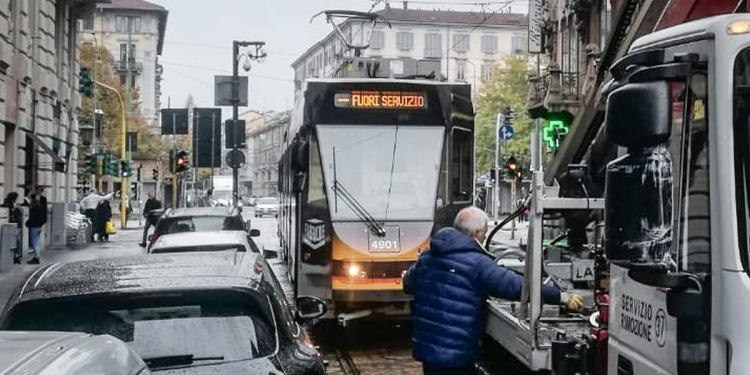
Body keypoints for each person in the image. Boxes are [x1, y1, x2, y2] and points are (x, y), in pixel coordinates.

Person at [403, 207, 584, 375]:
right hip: (457, 355)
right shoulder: (477, 264)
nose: (484, 237)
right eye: (484, 233)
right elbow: (516, 286)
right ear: (476, 234)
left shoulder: (428, 256)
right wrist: (560, 296)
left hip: (428, 352)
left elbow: (408, 284)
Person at [25, 188, 48, 264]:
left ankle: (36, 257)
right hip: (38, 225)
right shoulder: (33, 197)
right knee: (36, 241)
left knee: (35, 242)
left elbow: (43, 213)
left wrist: (28, 223)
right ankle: (36, 256)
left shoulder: (41, 202)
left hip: (36, 225)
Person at [3, 192, 23, 264]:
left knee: (17, 241)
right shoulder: (8, 204)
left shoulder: (13, 205)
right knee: (16, 241)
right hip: (12, 225)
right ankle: (15, 256)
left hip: (15, 225)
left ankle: (16, 256)